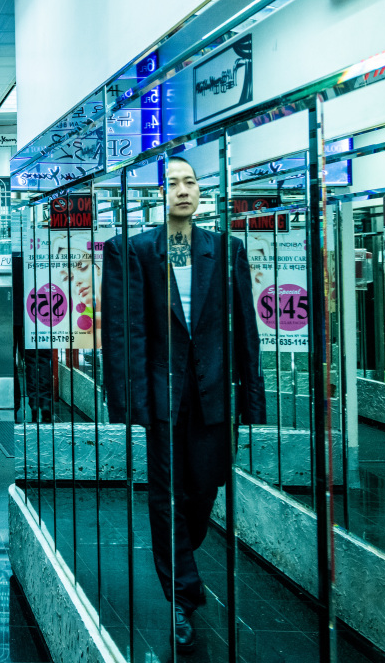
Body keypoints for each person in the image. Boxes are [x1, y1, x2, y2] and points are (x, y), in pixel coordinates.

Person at [101, 156, 265, 652]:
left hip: (213, 393)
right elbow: (124, 331)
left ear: (201, 191)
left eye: (189, 182)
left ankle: (182, 559)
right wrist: (131, 402)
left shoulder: (226, 250)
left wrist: (250, 399)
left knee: (204, 489)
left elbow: (245, 332)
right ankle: (181, 595)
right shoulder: (132, 250)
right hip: (162, 396)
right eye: (171, 183)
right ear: (159, 195)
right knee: (167, 494)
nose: (181, 190)